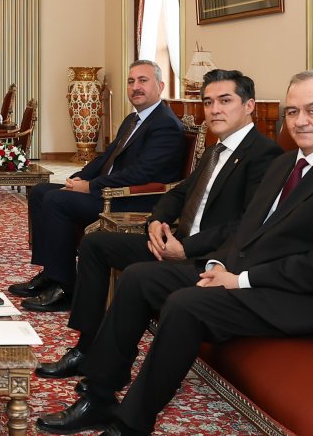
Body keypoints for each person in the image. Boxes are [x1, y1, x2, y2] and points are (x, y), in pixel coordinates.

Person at [36, 71, 313, 436]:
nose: (300, 121)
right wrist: (218, 265)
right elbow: (246, 228)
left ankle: (130, 424)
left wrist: (237, 279)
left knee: (185, 305)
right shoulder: (287, 163)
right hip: (252, 275)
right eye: (292, 112)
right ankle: (99, 397)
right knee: (140, 277)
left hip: (311, 300)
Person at [35, 69, 282, 380]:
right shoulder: (217, 149)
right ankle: (87, 347)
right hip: (175, 240)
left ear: (249, 106)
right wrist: (156, 221)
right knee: (95, 244)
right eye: (208, 102)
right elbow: (179, 190)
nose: (215, 109)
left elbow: (245, 224)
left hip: (209, 258)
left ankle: (109, 367)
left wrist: (185, 248)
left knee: (137, 275)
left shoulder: (265, 155)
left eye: (225, 100)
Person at [11, 60, 186, 313]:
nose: (135, 87)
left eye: (143, 81)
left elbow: (142, 173)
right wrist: (77, 178)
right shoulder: (133, 119)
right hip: (109, 191)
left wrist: (91, 186)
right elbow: (107, 158)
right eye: (131, 81)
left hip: (134, 199)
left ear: (159, 85)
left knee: (56, 201)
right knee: (41, 191)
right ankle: (50, 273)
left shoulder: (165, 124)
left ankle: (66, 288)